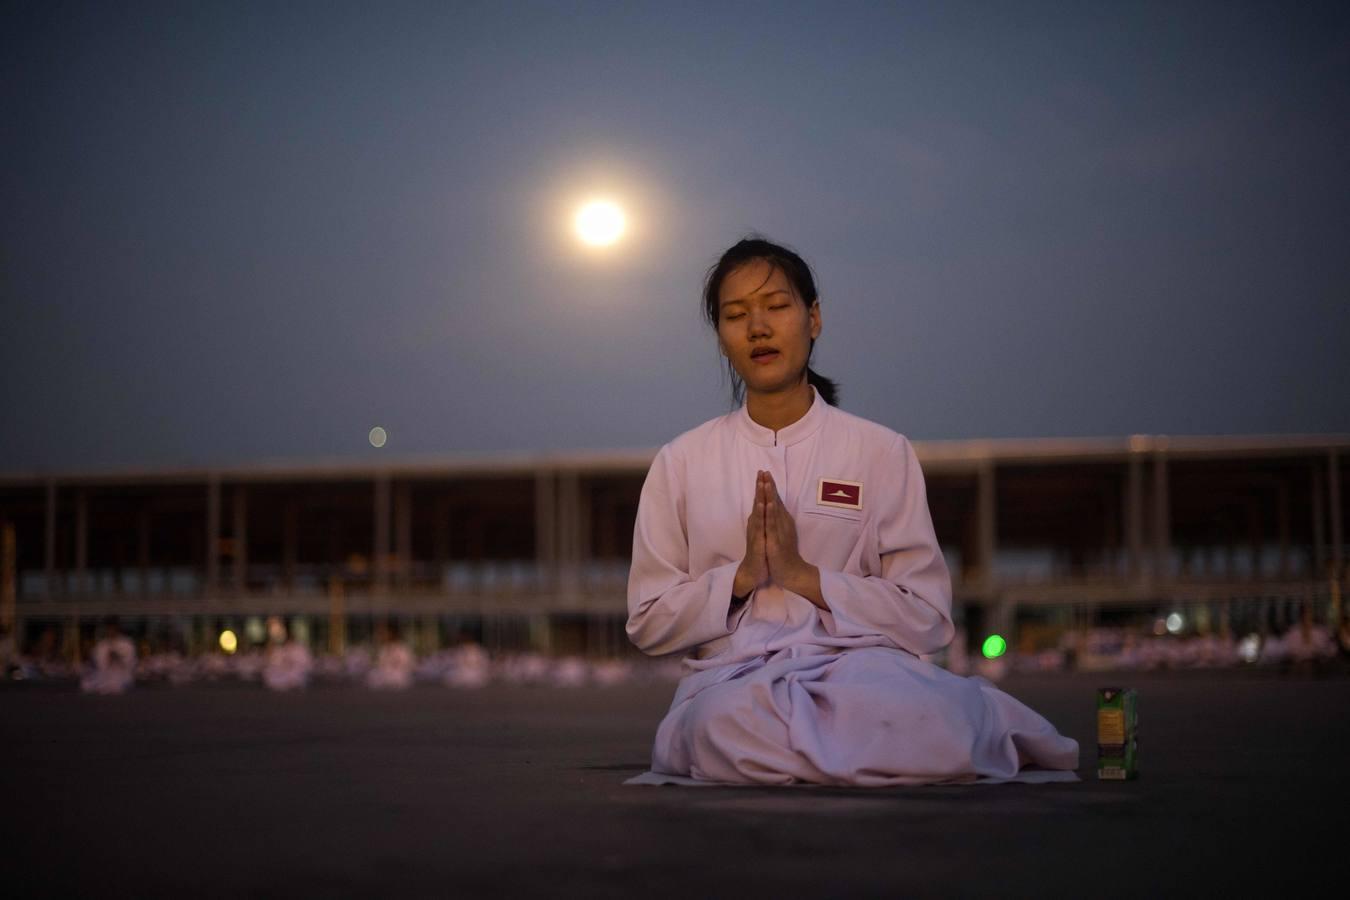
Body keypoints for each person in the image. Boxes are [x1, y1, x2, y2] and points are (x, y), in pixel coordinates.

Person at [625, 237, 1079, 786]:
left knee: (929, 715)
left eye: (777, 306)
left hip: (862, 672)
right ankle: (863, 760)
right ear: (722, 338)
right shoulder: (682, 463)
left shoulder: (879, 451)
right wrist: (740, 578)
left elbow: (928, 615)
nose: (758, 327)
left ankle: (817, 762)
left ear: (813, 319)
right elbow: (647, 620)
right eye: (736, 315)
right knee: (725, 727)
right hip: (734, 679)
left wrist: (805, 578)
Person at [80, 617, 136, 695]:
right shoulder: (101, 645)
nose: (110, 630)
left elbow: (131, 664)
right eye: (108, 628)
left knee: (117, 684)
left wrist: (117, 657)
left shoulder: (127, 644)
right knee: (86, 684)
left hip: (121, 675)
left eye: (113, 628)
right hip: (105, 675)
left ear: (117, 628)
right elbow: (99, 666)